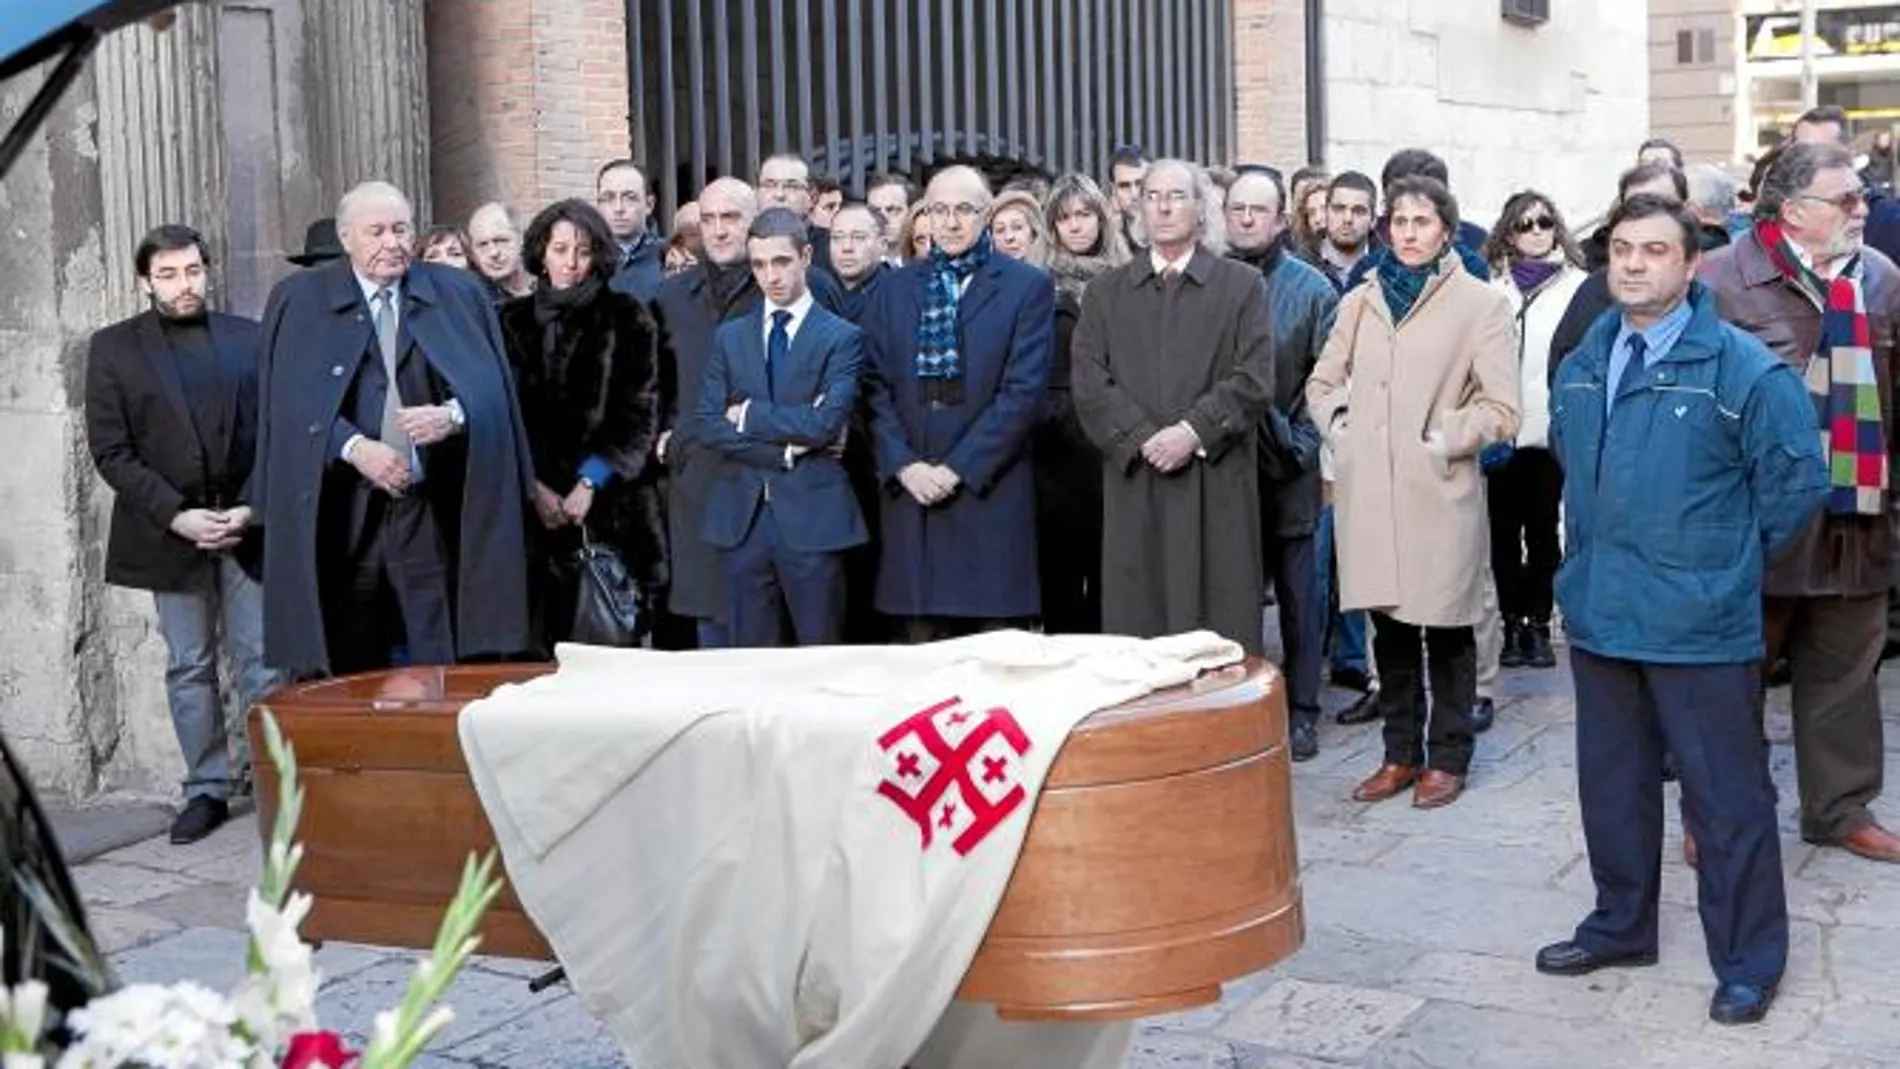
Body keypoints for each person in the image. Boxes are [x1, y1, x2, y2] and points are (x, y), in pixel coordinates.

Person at [1538, 194, 1826, 1027]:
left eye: (1654, 250)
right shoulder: (1586, 361)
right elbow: (1575, 466)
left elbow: (1796, 484)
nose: (1632, 264)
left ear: (1692, 264)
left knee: (1727, 801)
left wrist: (1721, 565)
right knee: (1613, 789)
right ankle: (1621, 924)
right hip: (1603, 615)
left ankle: (1747, 960)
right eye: (1621, 249)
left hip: (1700, 627)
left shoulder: (1742, 370)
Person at [1700, 141, 1900, 864]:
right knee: (1731, 678)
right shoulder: (1722, 279)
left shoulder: (1880, 279)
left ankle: (1841, 807)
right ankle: (1716, 810)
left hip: (1858, 518)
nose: (1861, 209)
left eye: (1863, 197)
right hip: (1757, 523)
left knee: (1847, 672)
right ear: (1791, 211)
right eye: (1845, 199)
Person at [253, 180, 537, 677]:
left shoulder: (457, 292)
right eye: (377, 231)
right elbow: (289, 400)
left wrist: (451, 415)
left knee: (439, 650)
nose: (393, 242)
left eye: (402, 229)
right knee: (347, 654)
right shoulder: (300, 299)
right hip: (341, 511)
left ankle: (441, 749)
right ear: (346, 238)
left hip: (427, 508)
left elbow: (493, 392)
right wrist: (354, 447)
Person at [1307, 176, 1520, 810]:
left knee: (1447, 627)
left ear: (1446, 230)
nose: (1406, 233)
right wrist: (1345, 431)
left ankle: (1448, 757)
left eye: (1420, 222)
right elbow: (1322, 382)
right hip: (1370, 490)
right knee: (1388, 629)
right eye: (1397, 221)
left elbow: (1503, 407)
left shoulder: (1480, 305)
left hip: (1438, 488)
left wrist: (1442, 435)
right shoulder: (1361, 300)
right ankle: (1399, 754)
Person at [84, 224, 277, 844]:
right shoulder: (114, 349)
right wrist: (177, 515)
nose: (183, 284)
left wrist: (248, 508)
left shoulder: (249, 338)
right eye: (167, 275)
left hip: (246, 525)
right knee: (189, 664)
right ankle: (206, 788)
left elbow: (276, 432)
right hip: (171, 534)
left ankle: (273, 785)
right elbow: (112, 452)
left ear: (207, 269)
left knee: (264, 664)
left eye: (191, 271)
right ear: (146, 281)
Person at [1072, 159, 1275, 657]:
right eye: (1152, 196)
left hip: (1215, 480)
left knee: (1218, 625)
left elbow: (1254, 377)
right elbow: (1089, 380)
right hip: (1137, 481)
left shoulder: (1242, 287)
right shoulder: (1105, 294)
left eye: (1177, 196)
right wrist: (1141, 436)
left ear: (1202, 210)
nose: (1163, 206)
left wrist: (1193, 431)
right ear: (1138, 209)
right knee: (1139, 623)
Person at [860, 165, 1053, 640]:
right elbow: (872, 386)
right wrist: (904, 466)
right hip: (913, 501)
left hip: (989, 494)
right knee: (922, 666)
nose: (950, 222)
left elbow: (1022, 393)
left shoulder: (1025, 287)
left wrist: (957, 469)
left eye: (964, 210)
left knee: (997, 668)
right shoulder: (893, 287)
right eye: (938, 210)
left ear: (987, 214)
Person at [495, 199, 665, 653]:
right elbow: (498, 416)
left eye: (584, 251)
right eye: (560, 248)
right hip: (529, 509)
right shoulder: (507, 321)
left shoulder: (628, 315)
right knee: (534, 654)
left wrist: (590, 481)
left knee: (609, 651)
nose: (571, 262)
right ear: (540, 252)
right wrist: (532, 487)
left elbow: (638, 413)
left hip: (610, 508)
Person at [698, 209, 868, 646]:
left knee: (820, 655)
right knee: (750, 664)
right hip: (742, 519)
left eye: (781, 262)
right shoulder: (730, 337)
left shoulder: (841, 336)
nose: (769, 276)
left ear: (806, 256)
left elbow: (825, 424)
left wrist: (751, 413)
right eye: (758, 265)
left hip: (814, 519)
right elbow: (709, 425)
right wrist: (785, 451)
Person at [1225, 167, 1339, 757]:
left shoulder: (1313, 289)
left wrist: (1299, 442)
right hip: (1222, 463)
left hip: (1288, 460)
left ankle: (1301, 708)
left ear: (1278, 218)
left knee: (1300, 594)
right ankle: (1239, 701)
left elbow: (1328, 379)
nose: (1246, 218)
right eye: (1236, 208)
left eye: (1258, 209)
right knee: (1233, 590)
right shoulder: (1209, 280)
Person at [1481, 191, 1589, 670]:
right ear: (1509, 231)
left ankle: (1540, 624)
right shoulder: (1488, 287)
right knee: (1501, 535)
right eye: (1524, 224)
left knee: (1545, 533)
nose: (1536, 231)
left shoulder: (1578, 287)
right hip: (1498, 429)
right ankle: (1510, 624)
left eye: (1544, 222)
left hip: (1550, 430)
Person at [1037, 174, 1131, 636]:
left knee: (1114, 581)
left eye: (1084, 214)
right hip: (1058, 453)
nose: (1076, 226)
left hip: (1114, 447)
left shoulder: (1129, 279)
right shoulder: (1038, 286)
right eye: (1065, 217)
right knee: (1061, 583)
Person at [597, 158, 664, 303]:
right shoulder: (586, 259)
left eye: (630, 198)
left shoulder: (670, 258)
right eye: (608, 198)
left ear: (649, 205)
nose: (619, 208)